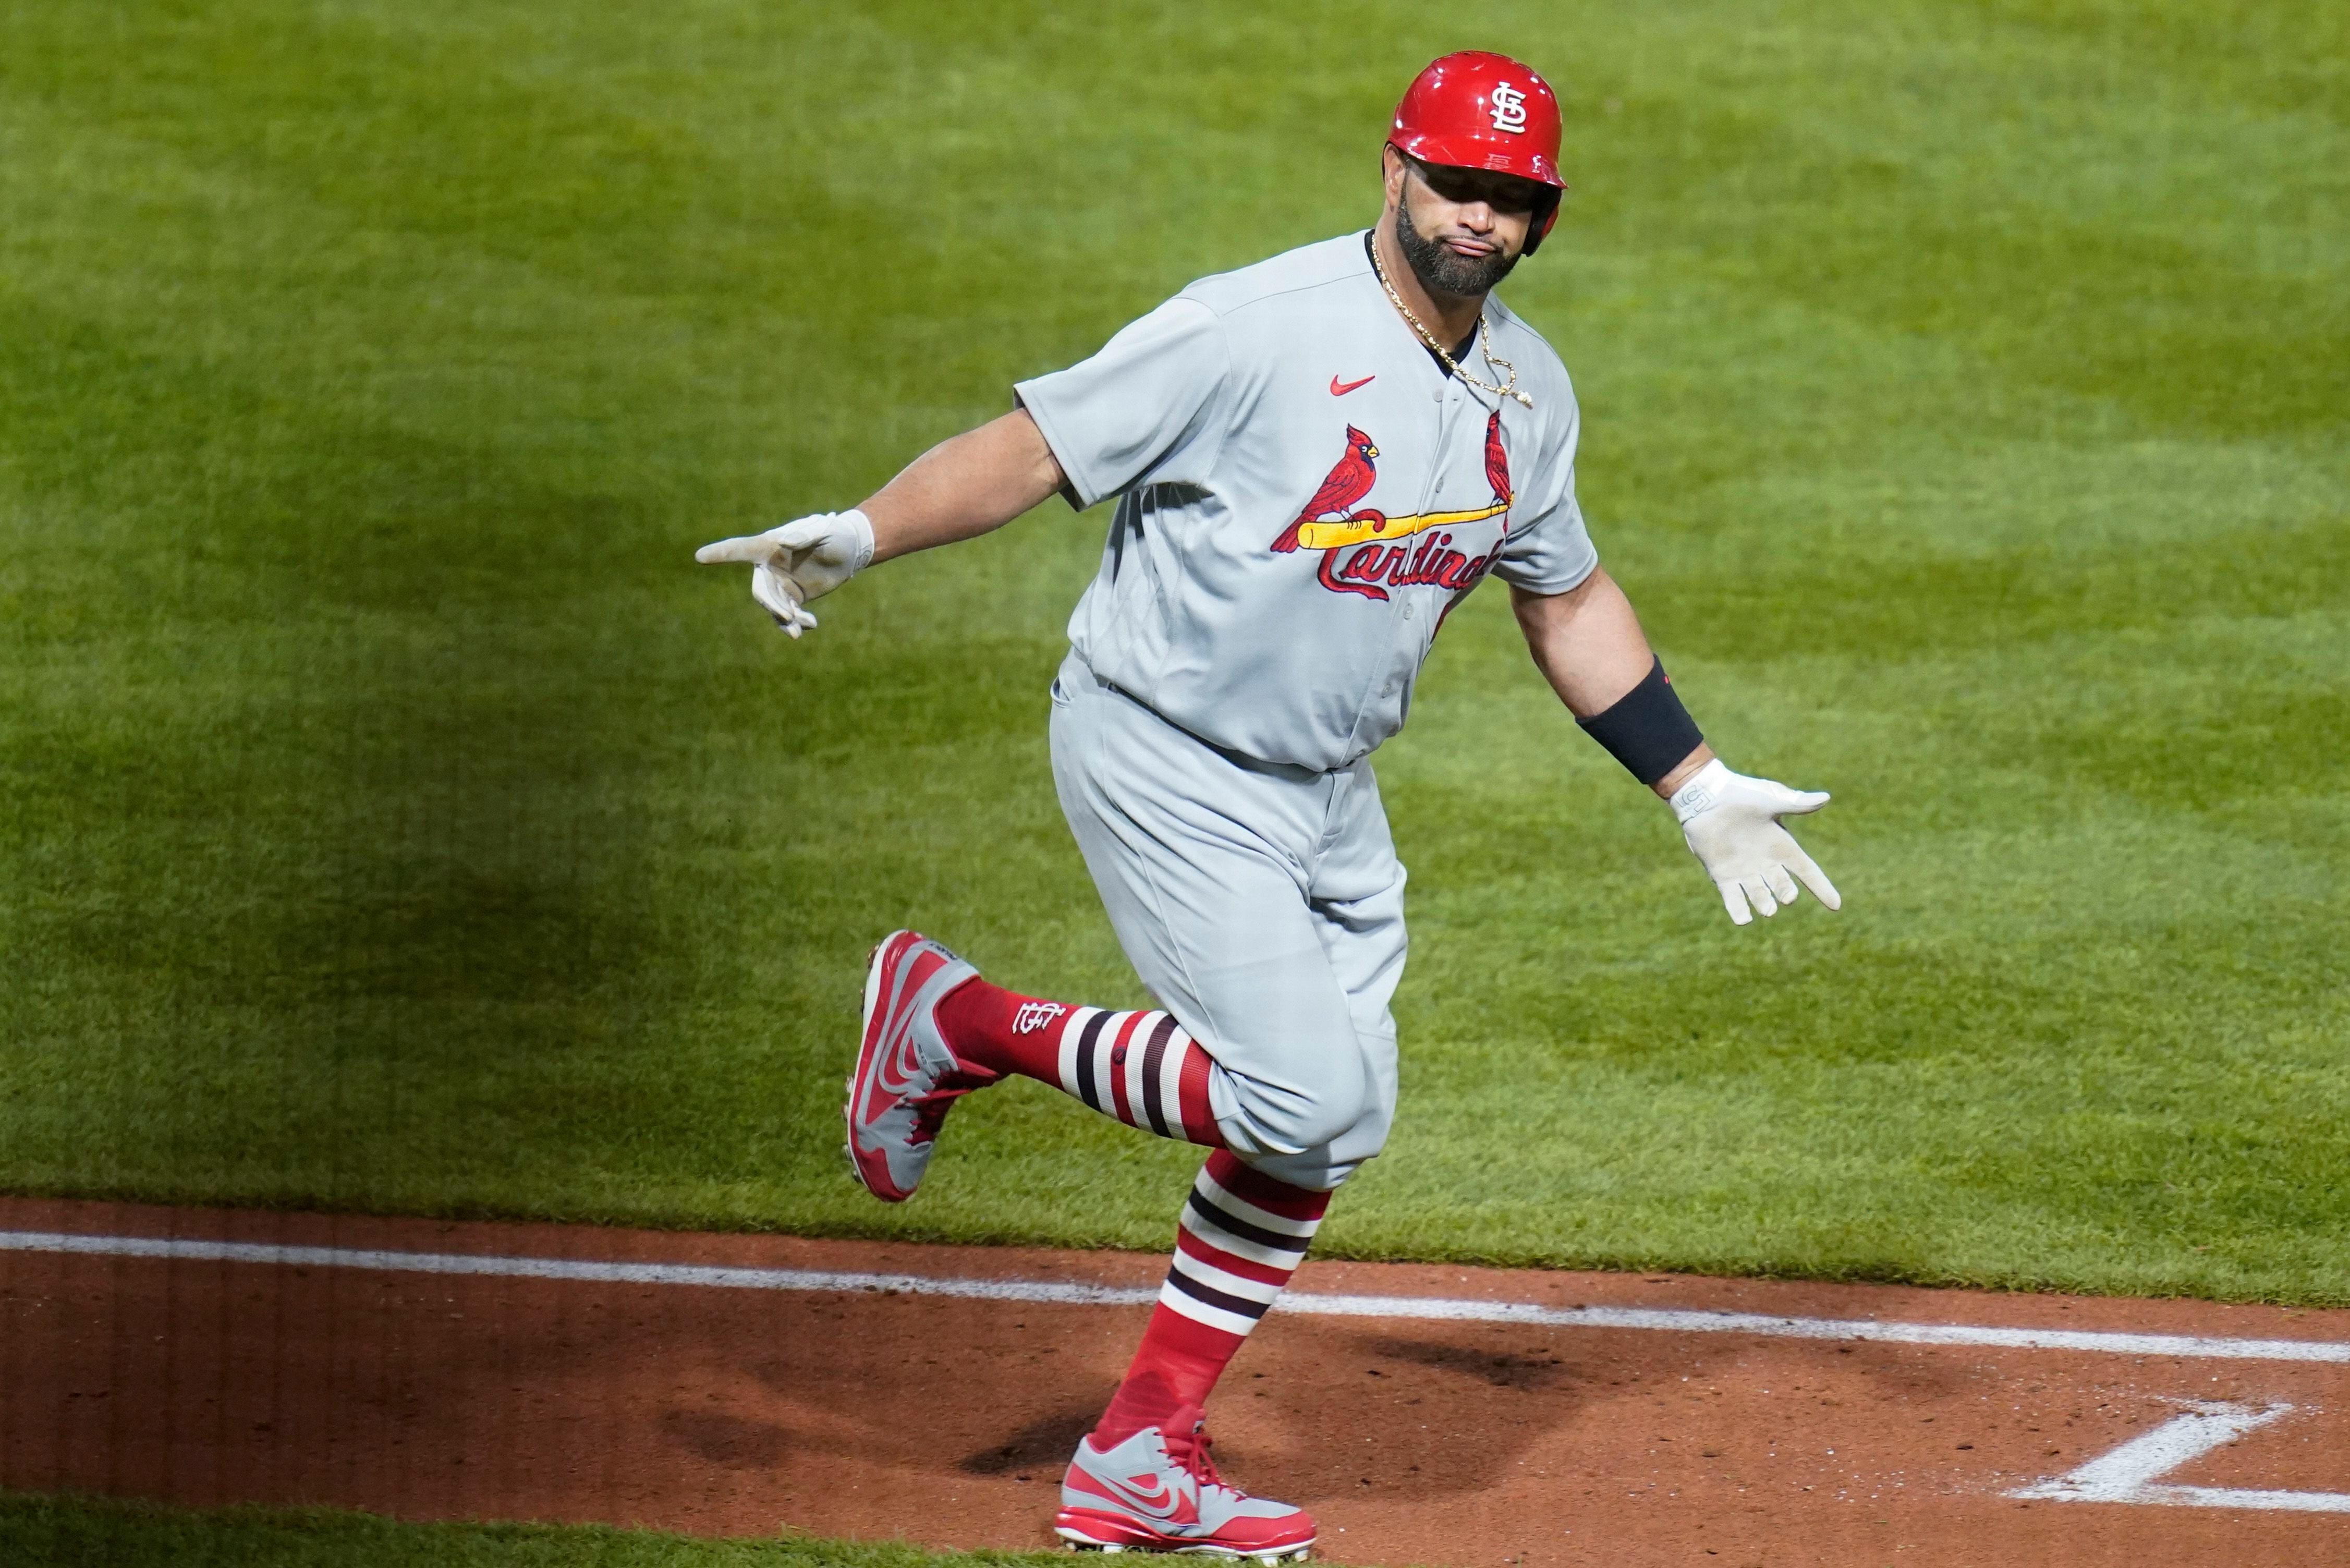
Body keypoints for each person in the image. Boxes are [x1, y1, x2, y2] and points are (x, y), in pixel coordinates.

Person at [697, 51, 1840, 1565]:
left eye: (1513, 199)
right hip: (1162, 751)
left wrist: (1693, 785)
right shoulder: (1255, 329)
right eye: (1457, 185)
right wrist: (863, 530)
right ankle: (958, 1024)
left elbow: (1562, 593)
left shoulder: (1524, 390)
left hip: (1329, 791)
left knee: (1320, 1130)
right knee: (1307, 1098)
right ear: (1393, 169)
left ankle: (1134, 1457)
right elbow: (1041, 448)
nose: (1481, 223)